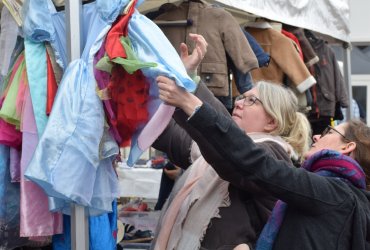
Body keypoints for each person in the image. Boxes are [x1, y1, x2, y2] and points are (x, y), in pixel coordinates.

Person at [156, 61, 370, 248]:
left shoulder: (333, 193)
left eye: (328, 132)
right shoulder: (348, 198)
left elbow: (249, 159)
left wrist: (191, 102)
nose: (316, 137)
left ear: (346, 147)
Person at [151, 34, 311, 250]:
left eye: (251, 100)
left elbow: (232, 145)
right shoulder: (211, 151)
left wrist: (191, 94)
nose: (240, 103)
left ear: (272, 121)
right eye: (241, 97)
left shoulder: (273, 155)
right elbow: (170, 134)